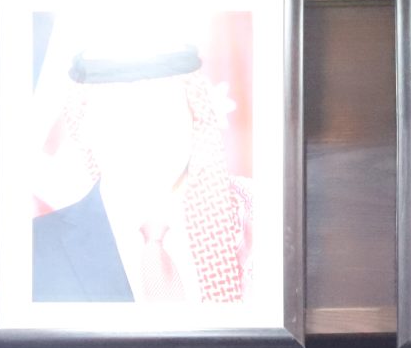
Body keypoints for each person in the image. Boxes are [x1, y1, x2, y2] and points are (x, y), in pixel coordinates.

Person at [31, 39, 253, 305]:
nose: (145, 134)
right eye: (119, 110)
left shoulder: (255, 227)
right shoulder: (30, 252)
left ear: (193, 117)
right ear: (84, 127)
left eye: (163, 107)